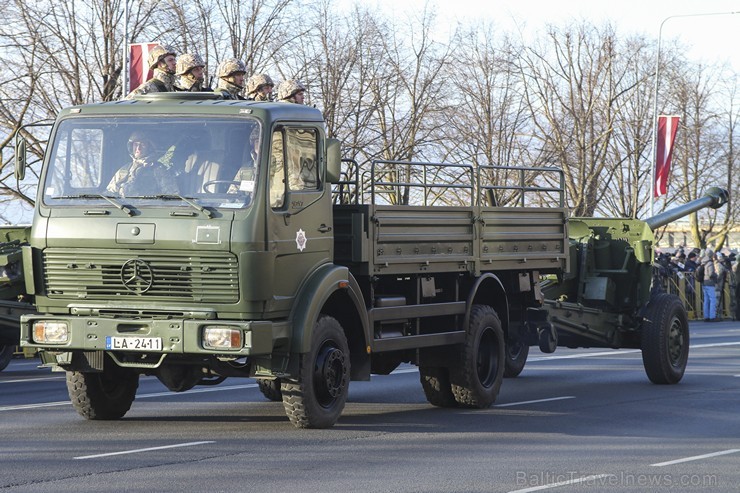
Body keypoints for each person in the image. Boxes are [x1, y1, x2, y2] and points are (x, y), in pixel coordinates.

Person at [107, 131, 179, 196]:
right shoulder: (125, 169)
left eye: (142, 144)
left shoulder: (158, 169)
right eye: (136, 144)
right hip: (123, 208)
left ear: (149, 147)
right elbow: (110, 193)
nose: (138, 148)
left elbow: (172, 196)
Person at [700, 248, 718, 321]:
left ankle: (706, 316)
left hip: (704, 282)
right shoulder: (710, 263)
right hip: (710, 282)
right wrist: (716, 275)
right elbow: (711, 274)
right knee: (713, 300)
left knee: (706, 300)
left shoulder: (702, 262)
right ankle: (712, 316)